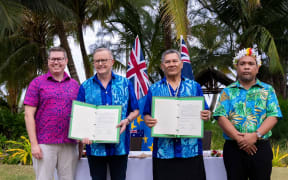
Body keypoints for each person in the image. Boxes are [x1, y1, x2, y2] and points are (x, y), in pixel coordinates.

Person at [213, 47, 283, 180]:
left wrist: (255, 136)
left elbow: (273, 115)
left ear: (257, 68)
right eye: (242, 64)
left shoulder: (267, 90)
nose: (246, 67)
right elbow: (221, 117)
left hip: (260, 148)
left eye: (251, 64)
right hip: (234, 149)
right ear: (237, 68)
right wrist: (240, 139)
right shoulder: (227, 91)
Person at [143, 49, 211, 180]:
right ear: (163, 66)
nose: (171, 64)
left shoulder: (194, 86)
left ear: (181, 64)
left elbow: (206, 112)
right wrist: (148, 120)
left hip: (190, 151)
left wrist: (206, 115)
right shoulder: (154, 89)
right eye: (167, 62)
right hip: (164, 152)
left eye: (175, 61)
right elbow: (146, 113)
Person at [77, 48, 139, 180]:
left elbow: (135, 110)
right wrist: (83, 134)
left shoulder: (125, 84)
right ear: (93, 63)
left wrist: (127, 120)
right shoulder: (85, 86)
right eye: (97, 61)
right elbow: (79, 115)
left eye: (104, 60)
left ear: (112, 62)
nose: (100, 64)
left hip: (120, 146)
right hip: (94, 147)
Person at [24, 47, 80, 180]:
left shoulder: (75, 85)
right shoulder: (37, 83)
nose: (56, 62)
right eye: (53, 59)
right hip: (44, 144)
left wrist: (80, 144)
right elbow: (28, 115)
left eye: (60, 59)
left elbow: (80, 114)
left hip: (69, 143)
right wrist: (34, 144)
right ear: (48, 61)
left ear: (66, 61)